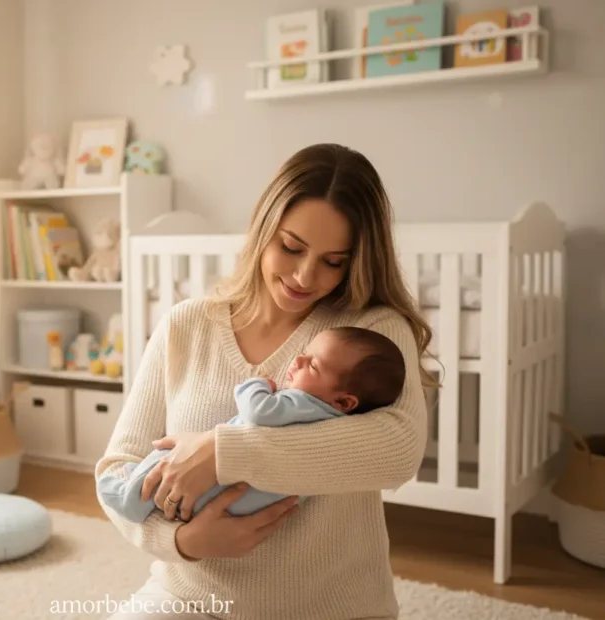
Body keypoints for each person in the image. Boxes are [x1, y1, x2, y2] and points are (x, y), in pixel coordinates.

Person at [94, 143, 433, 620]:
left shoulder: (369, 334)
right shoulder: (186, 325)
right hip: (190, 597)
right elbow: (117, 468)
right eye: (290, 247)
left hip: (332, 609)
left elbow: (397, 450)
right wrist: (182, 541)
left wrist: (221, 452)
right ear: (262, 231)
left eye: (333, 261)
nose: (303, 275)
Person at [97, 326, 406, 524]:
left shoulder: (305, 403)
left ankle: (127, 498)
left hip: (229, 487)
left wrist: (254, 385)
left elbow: (258, 411)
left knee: (161, 464)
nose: (297, 362)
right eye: (304, 354)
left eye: (312, 364)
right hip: (248, 504)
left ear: (345, 402)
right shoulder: (337, 422)